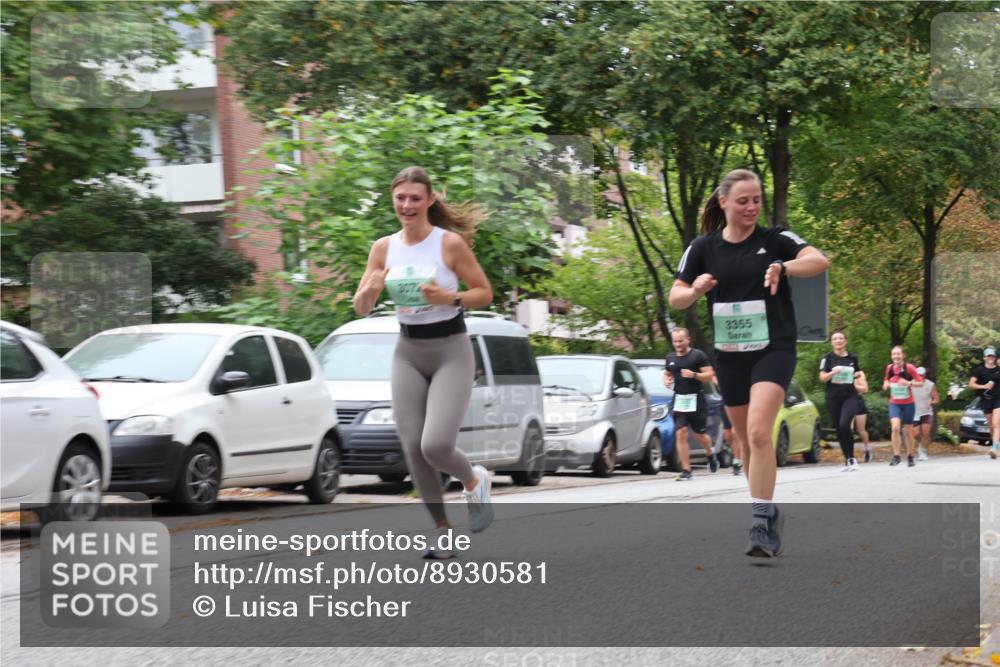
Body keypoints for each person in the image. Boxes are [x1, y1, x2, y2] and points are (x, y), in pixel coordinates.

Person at [669, 168, 830, 558]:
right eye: (743, 200)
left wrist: (783, 267)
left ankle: (759, 523)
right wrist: (695, 289)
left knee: (759, 433)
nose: (752, 207)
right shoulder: (703, 247)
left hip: (773, 348)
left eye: (757, 199)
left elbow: (818, 260)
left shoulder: (774, 240)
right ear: (724, 202)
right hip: (730, 356)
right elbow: (675, 297)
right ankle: (769, 510)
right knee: (743, 439)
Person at [352, 166, 494, 558]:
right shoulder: (383, 248)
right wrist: (370, 290)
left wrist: (449, 298)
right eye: (401, 198)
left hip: (450, 348)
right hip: (408, 351)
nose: (407, 205)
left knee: (435, 445)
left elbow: (484, 292)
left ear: (430, 200)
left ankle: (473, 480)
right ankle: (443, 533)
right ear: (392, 200)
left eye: (416, 198)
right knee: (413, 447)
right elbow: (361, 307)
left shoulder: (448, 244)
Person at [663, 327, 718, 481]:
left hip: (696, 400)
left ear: (688, 340)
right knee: (681, 433)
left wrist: (694, 375)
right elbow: (667, 373)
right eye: (675, 341)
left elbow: (709, 375)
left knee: (699, 435)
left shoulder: (698, 355)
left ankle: (710, 453)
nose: (678, 344)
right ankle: (687, 470)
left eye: (681, 341)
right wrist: (666, 381)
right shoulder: (670, 357)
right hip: (680, 399)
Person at [818, 331, 863, 472]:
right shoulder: (827, 358)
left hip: (850, 396)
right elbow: (822, 378)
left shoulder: (852, 358)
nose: (838, 341)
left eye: (841, 338)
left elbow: (858, 373)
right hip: (832, 398)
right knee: (839, 428)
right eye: (835, 339)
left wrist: (855, 374)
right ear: (832, 342)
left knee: (844, 425)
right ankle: (848, 459)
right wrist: (833, 373)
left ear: (845, 341)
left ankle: (851, 458)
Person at [882, 346, 923, 468]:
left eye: (898, 354)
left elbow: (920, 382)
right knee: (895, 428)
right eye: (894, 354)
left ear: (903, 355)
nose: (896, 357)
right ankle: (896, 456)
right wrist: (886, 385)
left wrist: (909, 383)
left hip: (908, 404)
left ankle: (910, 455)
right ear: (891, 356)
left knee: (908, 430)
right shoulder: (889, 368)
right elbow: (886, 380)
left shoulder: (909, 368)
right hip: (895, 403)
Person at [969, 347, 1000, 459]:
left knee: (997, 424)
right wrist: (984, 386)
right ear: (984, 358)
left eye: (992, 356)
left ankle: (995, 447)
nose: (990, 358)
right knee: (991, 425)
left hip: (998, 399)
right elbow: (971, 384)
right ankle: (996, 445)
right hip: (985, 399)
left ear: (994, 357)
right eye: (988, 356)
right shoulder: (979, 370)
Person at [911, 366, 939, 461]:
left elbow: (936, 399)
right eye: (919, 375)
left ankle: (923, 451)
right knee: (916, 434)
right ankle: (920, 445)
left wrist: (931, 402)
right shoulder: (911, 384)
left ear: (925, 375)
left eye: (922, 375)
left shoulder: (930, 385)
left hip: (926, 412)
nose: (920, 377)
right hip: (914, 412)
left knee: (926, 433)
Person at [852, 375, 873, 462]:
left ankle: (867, 449)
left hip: (857, 401)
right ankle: (850, 454)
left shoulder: (859, 373)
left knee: (861, 430)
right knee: (848, 429)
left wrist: (851, 385)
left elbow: (865, 389)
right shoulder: (839, 370)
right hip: (844, 401)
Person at [722, 409, 743, 475]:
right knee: (728, 436)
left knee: (735, 431)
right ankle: (737, 454)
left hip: (739, 404)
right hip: (726, 404)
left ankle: (737, 461)